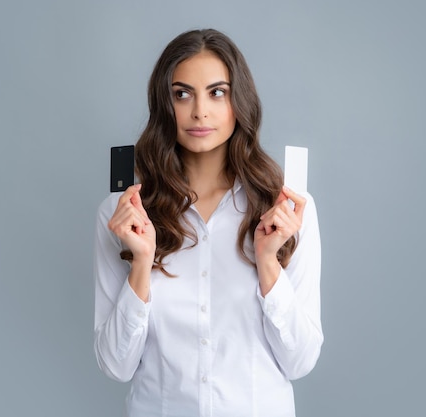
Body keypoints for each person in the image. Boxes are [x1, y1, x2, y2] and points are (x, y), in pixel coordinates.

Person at [94, 28, 322, 417]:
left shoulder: (286, 210)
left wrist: (268, 265)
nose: (200, 111)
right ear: (164, 104)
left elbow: (299, 362)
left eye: (218, 92)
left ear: (240, 101)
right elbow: (116, 366)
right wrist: (141, 266)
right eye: (182, 94)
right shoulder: (123, 215)